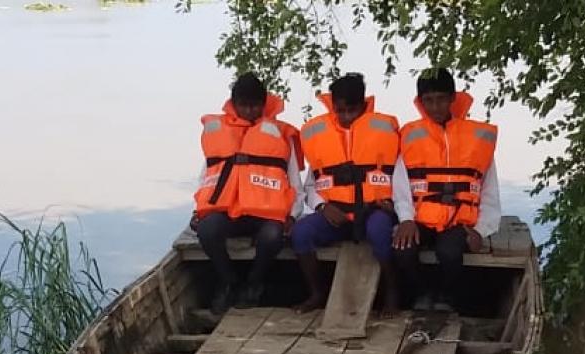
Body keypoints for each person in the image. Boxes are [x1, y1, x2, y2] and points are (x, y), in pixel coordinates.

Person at [291, 73, 409, 317]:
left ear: (364, 106)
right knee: (301, 233)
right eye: (340, 111)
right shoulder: (318, 134)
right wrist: (323, 207)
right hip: (336, 214)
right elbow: (311, 185)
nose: (345, 117)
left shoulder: (386, 132)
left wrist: (397, 208)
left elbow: (400, 177)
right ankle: (316, 294)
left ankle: (392, 293)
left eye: (351, 110)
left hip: (374, 211)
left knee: (379, 232)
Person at [191, 72, 304, 314]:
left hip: (266, 214)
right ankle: (228, 281)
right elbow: (208, 176)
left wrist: (292, 216)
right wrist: (198, 211)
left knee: (272, 237)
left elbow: (294, 181)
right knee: (207, 230)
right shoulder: (218, 133)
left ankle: (254, 282)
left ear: (264, 104)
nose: (250, 111)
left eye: (255, 106)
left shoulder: (281, 134)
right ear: (234, 104)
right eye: (244, 105)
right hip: (228, 212)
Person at [393, 68, 501, 311]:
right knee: (403, 249)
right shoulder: (410, 135)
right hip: (422, 218)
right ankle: (421, 292)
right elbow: (400, 184)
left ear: (453, 98)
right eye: (428, 101)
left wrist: (481, 231)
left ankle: (447, 297)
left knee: (449, 252)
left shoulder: (477, 137)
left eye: (441, 99)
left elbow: (489, 190)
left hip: (460, 222)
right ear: (420, 102)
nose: (435, 106)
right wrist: (406, 219)